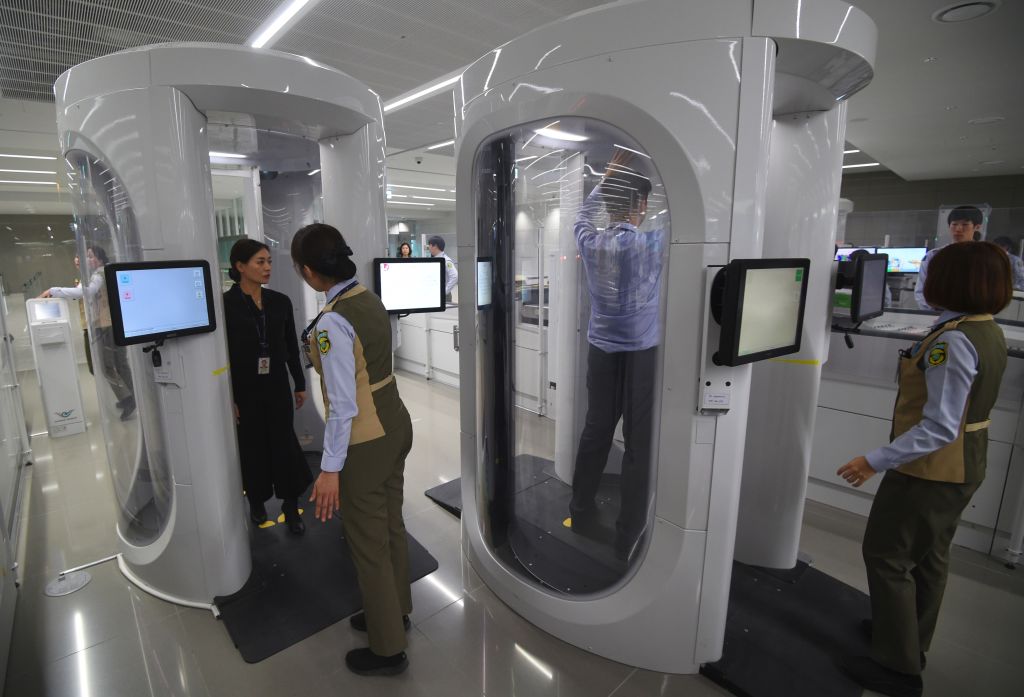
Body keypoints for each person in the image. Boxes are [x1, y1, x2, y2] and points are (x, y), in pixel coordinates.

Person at [836, 241, 1011, 697]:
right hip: (965, 464)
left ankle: (897, 667)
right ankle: (909, 639)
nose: (926, 281)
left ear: (951, 282)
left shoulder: (951, 342)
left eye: (933, 273)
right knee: (930, 556)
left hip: (932, 469)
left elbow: (938, 427)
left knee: (887, 555)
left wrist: (872, 461)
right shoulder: (984, 329)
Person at [293, 223, 414, 676]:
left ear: (308, 271)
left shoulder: (331, 323)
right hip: (396, 422)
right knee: (391, 524)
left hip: (366, 438)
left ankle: (388, 649)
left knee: (368, 544)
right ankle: (396, 610)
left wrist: (329, 469)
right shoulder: (368, 297)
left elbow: (342, 406)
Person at [568, 149, 666, 562]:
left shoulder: (592, 244)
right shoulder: (655, 244)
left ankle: (579, 508)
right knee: (639, 444)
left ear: (609, 205)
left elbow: (580, 219)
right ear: (642, 205)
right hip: (641, 356)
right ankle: (629, 533)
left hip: (601, 352)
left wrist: (606, 179)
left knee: (596, 429)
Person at [223, 239, 311, 535]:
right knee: (253, 447)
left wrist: (299, 383)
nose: (267, 267)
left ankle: (290, 503)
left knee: (284, 444)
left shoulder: (280, 301)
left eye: (269, 261)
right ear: (240, 266)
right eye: (260, 262)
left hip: (276, 386)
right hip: (245, 390)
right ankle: (257, 501)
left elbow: (290, 346)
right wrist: (229, 397)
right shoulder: (226, 306)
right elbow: (223, 356)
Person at [42, 245, 134, 419]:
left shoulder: (100, 273)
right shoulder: (92, 275)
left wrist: (54, 291)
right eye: (79, 256)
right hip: (101, 324)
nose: (82, 259)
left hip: (106, 325)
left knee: (110, 365)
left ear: (99, 258)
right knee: (112, 364)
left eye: (88, 256)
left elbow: (88, 291)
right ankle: (129, 396)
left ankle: (129, 397)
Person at [915, 205, 984, 310]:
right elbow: (921, 291)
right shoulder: (933, 256)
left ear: (977, 227)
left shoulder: (985, 257)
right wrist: (932, 314)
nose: (958, 229)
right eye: (954, 224)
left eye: (965, 224)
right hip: (938, 315)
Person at [40, 254, 92, 374]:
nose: (77, 259)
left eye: (81, 256)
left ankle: (126, 393)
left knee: (99, 367)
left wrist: (51, 291)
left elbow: (79, 292)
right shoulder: (86, 275)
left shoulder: (92, 275)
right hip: (90, 325)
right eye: (76, 256)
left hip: (96, 326)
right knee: (97, 367)